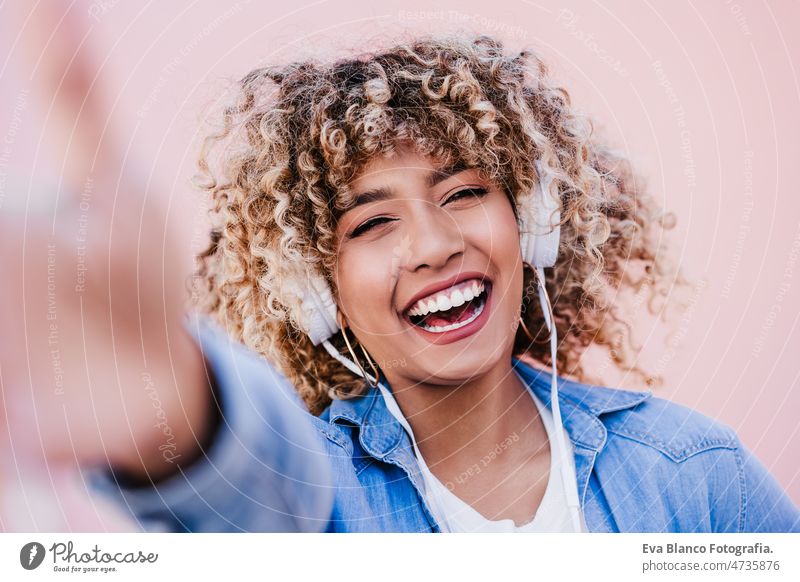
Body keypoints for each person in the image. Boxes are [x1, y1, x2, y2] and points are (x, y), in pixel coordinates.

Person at [4, 27, 798, 532]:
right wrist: (176, 419)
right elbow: (244, 504)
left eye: (464, 193)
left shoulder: (694, 477)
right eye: (372, 223)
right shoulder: (309, 501)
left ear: (536, 228)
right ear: (316, 290)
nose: (432, 245)